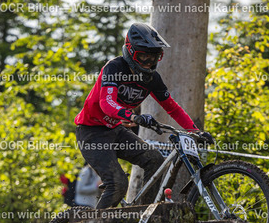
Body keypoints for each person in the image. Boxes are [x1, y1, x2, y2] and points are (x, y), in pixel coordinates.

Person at [74, 22, 214, 209]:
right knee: (118, 184)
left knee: (155, 160)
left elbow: (173, 108)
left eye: (154, 57)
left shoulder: (152, 79)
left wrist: (195, 132)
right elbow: (106, 103)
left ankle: (142, 215)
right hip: (91, 133)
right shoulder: (114, 68)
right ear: (131, 52)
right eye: (143, 56)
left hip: (115, 131)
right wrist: (133, 117)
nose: (149, 62)